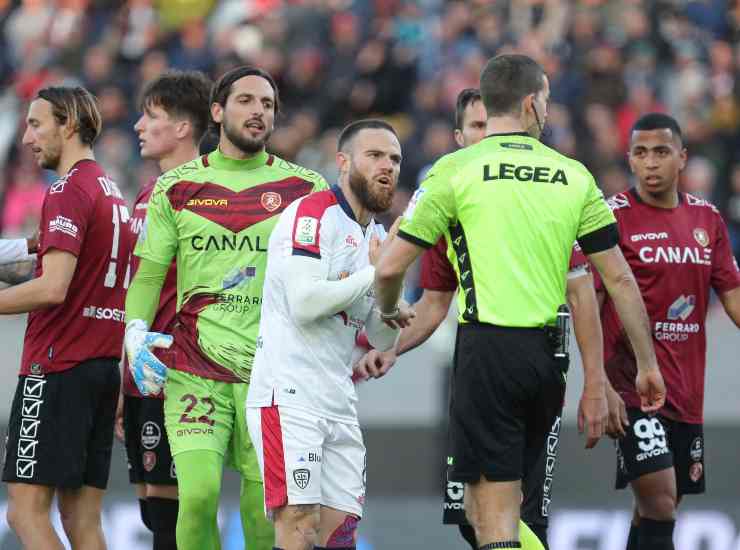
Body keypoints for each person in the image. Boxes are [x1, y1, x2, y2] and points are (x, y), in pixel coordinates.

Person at [373, 54, 666, 549]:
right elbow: (617, 280)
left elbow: (389, 267)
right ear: (532, 103)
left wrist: (386, 312)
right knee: (498, 514)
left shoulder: (455, 170)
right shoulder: (573, 176)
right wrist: (646, 364)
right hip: (547, 361)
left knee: (491, 515)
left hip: (487, 353)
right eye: (547, 100)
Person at [124, 66, 328, 550]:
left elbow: (327, 275)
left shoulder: (307, 189)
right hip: (194, 368)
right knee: (196, 497)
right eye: (246, 101)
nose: (259, 111)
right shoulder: (175, 187)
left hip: (274, 375)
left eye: (268, 104)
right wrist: (133, 333)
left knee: (263, 513)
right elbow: (150, 275)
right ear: (217, 112)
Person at [246, 118, 406, 550]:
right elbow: (304, 304)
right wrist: (376, 273)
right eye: (374, 156)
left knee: (340, 532)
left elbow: (381, 339)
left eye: (394, 158)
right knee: (298, 522)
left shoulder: (375, 236)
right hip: (289, 394)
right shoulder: (312, 214)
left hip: (338, 400)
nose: (386, 166)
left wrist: (390, 299)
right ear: (343, 162)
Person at [598, 113, 740, 550]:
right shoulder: (610, 217)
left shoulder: (707, 220)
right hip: (631, 387)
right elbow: (584, 300)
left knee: (655, 509)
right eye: (641, 153)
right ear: (630, 160)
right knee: (661, 504)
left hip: (686, 389)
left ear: (682, 157)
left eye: (661, 152)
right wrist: (598, 381)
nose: (651, 162)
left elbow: (733, 297)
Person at [1, 86, 129, 549]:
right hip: (100, 367)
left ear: (68, 124)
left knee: (24, 512)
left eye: (36, 125)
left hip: (55, 367)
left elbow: (52, 287)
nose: (28, 138)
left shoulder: (67, 190)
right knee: (82, 519)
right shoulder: (111, 192)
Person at [116, 69, 212, 550]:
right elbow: (138, 290)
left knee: (175, 518)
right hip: (139, 374)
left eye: (150, 116)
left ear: (182, 128)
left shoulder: (206, 193)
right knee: (154, 513)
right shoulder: (144, 195)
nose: (137, 125)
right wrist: (122, 376)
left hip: (179, 376)